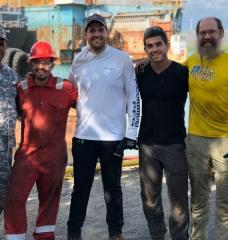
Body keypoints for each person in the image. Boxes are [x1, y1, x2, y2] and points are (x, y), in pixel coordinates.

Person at [67, 14, 140, 240]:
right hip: (83, 137)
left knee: (113, 190)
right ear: (86, 34)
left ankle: (115, 233)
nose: (96, 34)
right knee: (80, 188)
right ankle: (73, 232)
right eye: (92, 30)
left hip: (113, 138)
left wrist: (132, 133)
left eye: (100, 30)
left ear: (106, 32)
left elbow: (134, 97)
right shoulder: (78, 60)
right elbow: (69, 92)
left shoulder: (122, 59)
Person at [4, 41, 78, 240]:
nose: (41, 67)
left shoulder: (67, 89)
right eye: (36, 62)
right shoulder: (22, 88)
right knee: (15, 198)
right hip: (27, 156)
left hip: (54, 156)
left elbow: (89, 108)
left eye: (45, 62)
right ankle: (15, 237)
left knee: (50, 200)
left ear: (52, 64)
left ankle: (44, 237)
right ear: (31, 64)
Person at [136, 27, 189, 240]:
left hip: (175, 144)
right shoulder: (140, 73)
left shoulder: (181, 73)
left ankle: (179, 237)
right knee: (149, 198)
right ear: (145, 49)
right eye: (150, 46)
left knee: (178, 199)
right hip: (147, 144)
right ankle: (157, 235)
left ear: (166, 45)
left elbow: (204, 97)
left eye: (158, 44)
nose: (154, 49)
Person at [185, 17, 228, 240]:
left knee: (225, 206)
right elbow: (166, 74)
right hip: (196, 141)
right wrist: (143, 64)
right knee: (198, 203)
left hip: (225, 142)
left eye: (212, 32)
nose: (207, 36)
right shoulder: (191, 61)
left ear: (221, 33)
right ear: (198, 36)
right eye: (203, 33)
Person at [0, 26, 18, 216]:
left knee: (3, 192)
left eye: (1, 43)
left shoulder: (12, 75)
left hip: (5, 147)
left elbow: (22, 107)